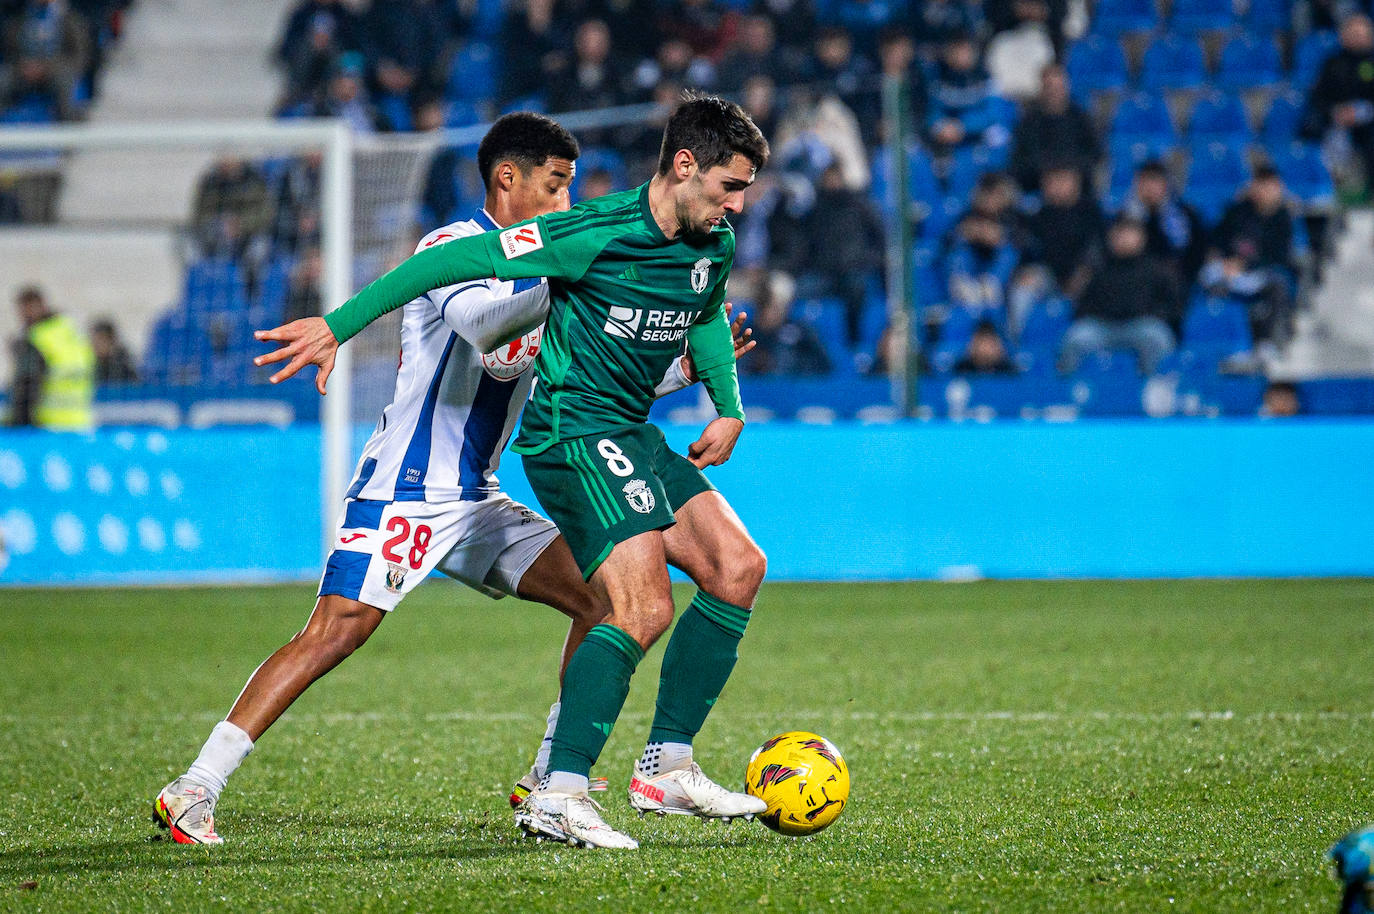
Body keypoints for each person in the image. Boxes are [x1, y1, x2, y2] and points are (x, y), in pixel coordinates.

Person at [152, 112, 754, 847]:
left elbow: (572, 367)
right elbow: (492, 339)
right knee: (336, 632)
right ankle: (195, 786)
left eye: (571, 188)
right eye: (554, 185)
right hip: (407, 489)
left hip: (479, 499)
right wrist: (574, 275)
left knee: (609, 601)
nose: (565, 202)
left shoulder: (562, 258)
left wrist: (683, 368)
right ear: (508, 178)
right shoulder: (455, 246)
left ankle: (549, 785)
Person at [1059, 216, 1178, 374]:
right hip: (1103, 327)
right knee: (1075, 338)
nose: (1124, 239)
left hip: (1139, 325)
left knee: (1159, 337)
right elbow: (1082, 305)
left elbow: (1171, 304)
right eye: (1119, 234)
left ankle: (1153, 389)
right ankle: (1068, 391)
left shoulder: (1156, 269)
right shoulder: (1097, 268)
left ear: (1142, 237)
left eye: (1129, 233)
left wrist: (1153, 314)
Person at [1200, 166, 1299, 353]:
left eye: (1269, 186)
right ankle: (1221, 339)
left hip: (1261, 272)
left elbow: (1280, 255)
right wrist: (1224, 260)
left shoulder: (1283, 218)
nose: (1263, 191)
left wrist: (1246, 265)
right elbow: (1217, 239)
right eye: (1259, 185)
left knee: (1278, 285)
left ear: (1278, 188)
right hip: (1228, 268)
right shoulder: (1237, 211)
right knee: (1209, 280)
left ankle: (1267, 342)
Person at [6, 285, 94, 429]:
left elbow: (25, 387)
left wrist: (17, 425)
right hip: (80, 423)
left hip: (46, 427)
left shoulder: (36, 340)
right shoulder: (70, 331)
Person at [90, 318, 138, 384]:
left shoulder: (123, 367)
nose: (97, 346)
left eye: (101, 340)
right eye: (95, 341)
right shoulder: (91, 365)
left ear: (111, 341)